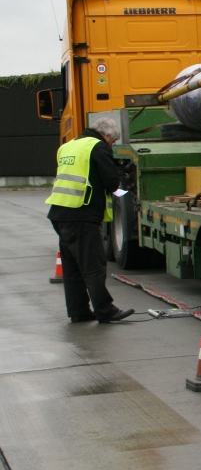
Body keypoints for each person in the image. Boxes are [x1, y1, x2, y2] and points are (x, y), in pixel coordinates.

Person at [46, 118, 134, 323]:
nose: (111, 145)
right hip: (82, 215)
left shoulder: (67, 146)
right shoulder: (98, 147)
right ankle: (105, 311)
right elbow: (111, 181)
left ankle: (79, 311)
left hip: (59, 213)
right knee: (93, 265)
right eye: (113, 141)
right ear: (106, 135)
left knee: (73, 268)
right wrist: (122, 188)